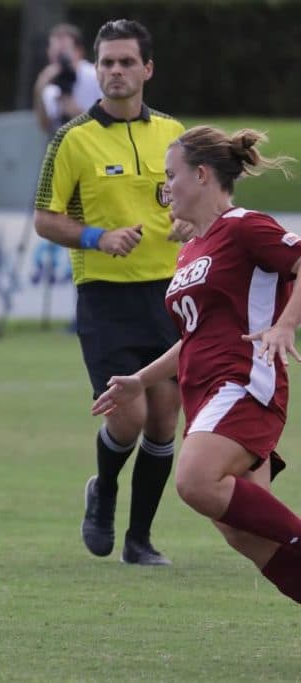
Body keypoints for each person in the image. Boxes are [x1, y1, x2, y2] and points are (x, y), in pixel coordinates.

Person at [92, 127, 301, 604]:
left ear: (202, 175)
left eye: (172, 175)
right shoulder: (190, 250)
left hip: (243, 384)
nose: (166, 188)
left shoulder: (245, 225)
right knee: (244, 535)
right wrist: (140, 381)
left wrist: (286, 324)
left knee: (193, 481)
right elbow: (193, 338)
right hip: (203, 394)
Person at [33, 19, 185, 565]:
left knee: (166, 418)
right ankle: (103, 491)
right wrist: (98, 237)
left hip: (170, 294)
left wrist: (192, 227)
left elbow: (195, 202)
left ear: (147, 69)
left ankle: (139, 540)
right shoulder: (72, 139)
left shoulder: (174, 134)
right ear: (95, 70)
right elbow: (44, 220)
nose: (115, 72)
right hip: (105, 296)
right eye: (106, 63)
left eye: (125, 62)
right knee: (128, 416)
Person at [33, 23, 103, 137]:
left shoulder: (95, 76)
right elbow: (44, 126)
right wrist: (39, 88)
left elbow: (112, 117)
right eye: (54, 51)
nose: (59, 58)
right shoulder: (50, 85)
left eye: (63, 51)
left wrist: (76, 112)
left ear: (79, 52)